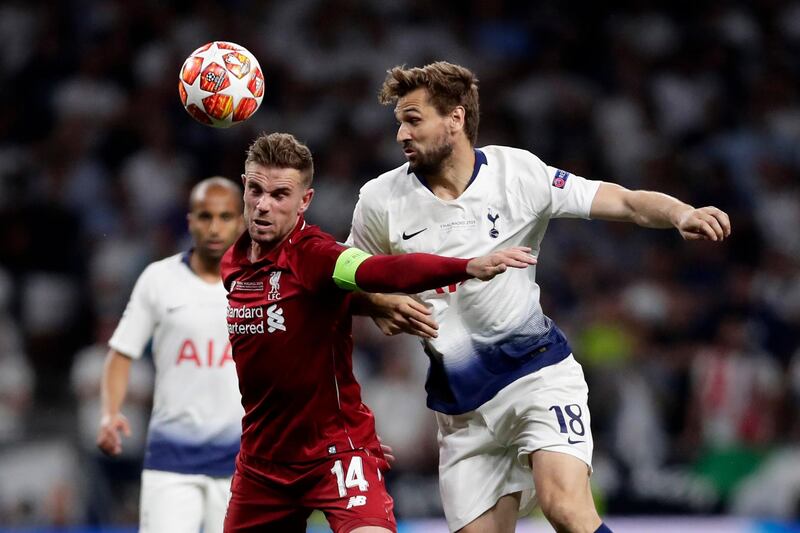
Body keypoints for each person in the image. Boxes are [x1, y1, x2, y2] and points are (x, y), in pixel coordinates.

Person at [346, 62, 732, 533]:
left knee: (566, 508)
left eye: (413, 119)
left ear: (456, 118)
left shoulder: (517, 174)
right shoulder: (380, 199)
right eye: (399, 123)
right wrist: (377, 303)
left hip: (537, 373)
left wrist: (680, 212)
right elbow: (347, 279)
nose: (402, 134)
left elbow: (624, 201)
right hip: (463, 409)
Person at [220, 131, 536, 533]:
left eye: (280, 194)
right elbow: (304, 306)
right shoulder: (233, 262)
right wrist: (366, 305)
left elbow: (378, 270)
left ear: (304, 201)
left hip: (333, 455)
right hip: (261, 464)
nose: (263, 205)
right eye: (255, 190)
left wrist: (467, 265)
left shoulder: (314, 255)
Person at [96, 177, 245, 533]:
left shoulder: (263, 283)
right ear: (190, 220)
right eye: (205, 216)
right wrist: (110, 413)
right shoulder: (159, 279)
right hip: (171, 463)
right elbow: (121, 352)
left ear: (241, 222)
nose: (214, 227)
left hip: (243, 467)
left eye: (225, 217)